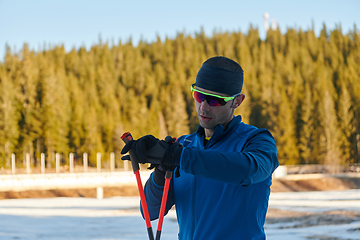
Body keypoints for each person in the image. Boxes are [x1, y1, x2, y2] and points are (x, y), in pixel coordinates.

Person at [121, 56, 279, 239]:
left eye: (214, 100)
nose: (203, 106)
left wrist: (178, 157)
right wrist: (162, 168)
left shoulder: (257, 141)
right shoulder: (183, 145)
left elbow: (249, 170)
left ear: (237, 101)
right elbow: (150, 211)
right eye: (199, 95)